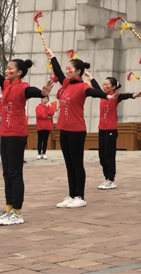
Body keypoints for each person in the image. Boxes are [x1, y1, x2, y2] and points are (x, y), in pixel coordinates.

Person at [0, 53, 53, 225]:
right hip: (4, 133)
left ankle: (17, 212)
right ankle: (8, 209)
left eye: (10, 68)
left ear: (19, 72)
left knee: (15, 173)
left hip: (16, 134)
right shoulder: (6, 84)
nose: (6, 70)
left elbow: (32, 91)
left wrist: (42, 92)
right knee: (6, 173)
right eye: (7, 68)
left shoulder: (23, 87)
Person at [45, 47, 108, 210]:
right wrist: (52, 57)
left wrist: (106, 96)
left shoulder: (82, 87)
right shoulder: (66, 84)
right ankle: (72, 194)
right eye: (66, 69)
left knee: (77, 164)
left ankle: (80, 196)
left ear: (78, 71)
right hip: (64, 129)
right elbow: (58, 72)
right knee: (68, 164)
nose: (66, 72)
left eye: (70, 69)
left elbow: (95, 92)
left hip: (76, 131)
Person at [88, 72, 141, 190]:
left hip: (111, 130)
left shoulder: (115, 96)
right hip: (101, 129)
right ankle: (106, 179)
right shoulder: (102, 95)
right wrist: (89, 76)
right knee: (102, 155)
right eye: (103, 85)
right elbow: (96, 87)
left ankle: (111, 180)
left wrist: (134, 95)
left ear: (113, 87)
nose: (104, 87)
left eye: (107, 85)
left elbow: (125, 96)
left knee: (109, 155)